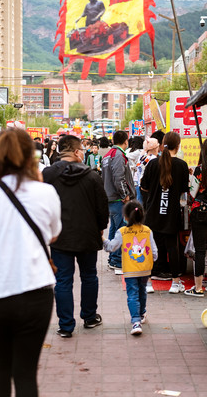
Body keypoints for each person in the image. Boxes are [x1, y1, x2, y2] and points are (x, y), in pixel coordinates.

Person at [0, 129, 62, 397]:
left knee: (1, 367)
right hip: (36, 291)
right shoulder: (46, 193)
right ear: (31, 156)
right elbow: (53, 234)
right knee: (25, 372)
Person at [43, 135, 109, 338]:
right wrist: (100, 228)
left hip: (59, 236)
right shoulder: (92, 176)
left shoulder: (48, 175)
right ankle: (89, 317)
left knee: (63, 280)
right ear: (75, 151)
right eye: (81, 149)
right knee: (89, 275)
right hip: (88, 234)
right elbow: (101, 208)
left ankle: (65, 325)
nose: (83, 152)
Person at [141, 131, 189, 293]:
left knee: (149, 248)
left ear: (163, 145)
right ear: (178, 145)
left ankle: (147, 283)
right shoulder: (182, 165)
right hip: (171, 213)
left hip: (153, 212)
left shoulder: (153, 164)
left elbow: (144, 186)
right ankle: (175, 283)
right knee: (172, 248)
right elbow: (184, 189)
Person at [102, 200, 157, 335]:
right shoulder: (147, 231)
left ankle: (136, 321)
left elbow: (111, 247)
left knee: (132, 294)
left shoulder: (122, 232)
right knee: (142, 290)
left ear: (125, 217)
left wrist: (102, 239)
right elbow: (154, 252)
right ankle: (142, 313)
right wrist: (151, 262)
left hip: (130, 270)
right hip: (145, 268)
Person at [102, 130, 136, 269]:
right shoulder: (118, 155)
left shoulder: (108, 155)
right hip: (118, 199)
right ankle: (117, 260)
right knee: (121, 229)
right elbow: (119, 177)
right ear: (125, 141)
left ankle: (112, 258)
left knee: (114, 229)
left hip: (111, 198)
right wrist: (125, 195)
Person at [185, 138, 207, 297]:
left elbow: (191, 193)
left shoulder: (200, 170)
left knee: (200, 250)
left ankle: (198, 287)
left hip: (199, 212)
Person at [136, 137, 159, 205]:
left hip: (140, 186)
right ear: (154, 148)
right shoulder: (154, 159)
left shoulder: (142, 157)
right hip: (149, 189)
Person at [127, 137, 144, 202]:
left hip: (131, 177)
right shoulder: (140, 152)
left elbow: (126, 155)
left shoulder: (129, 151)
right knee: (138, 198)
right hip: (137, 177)